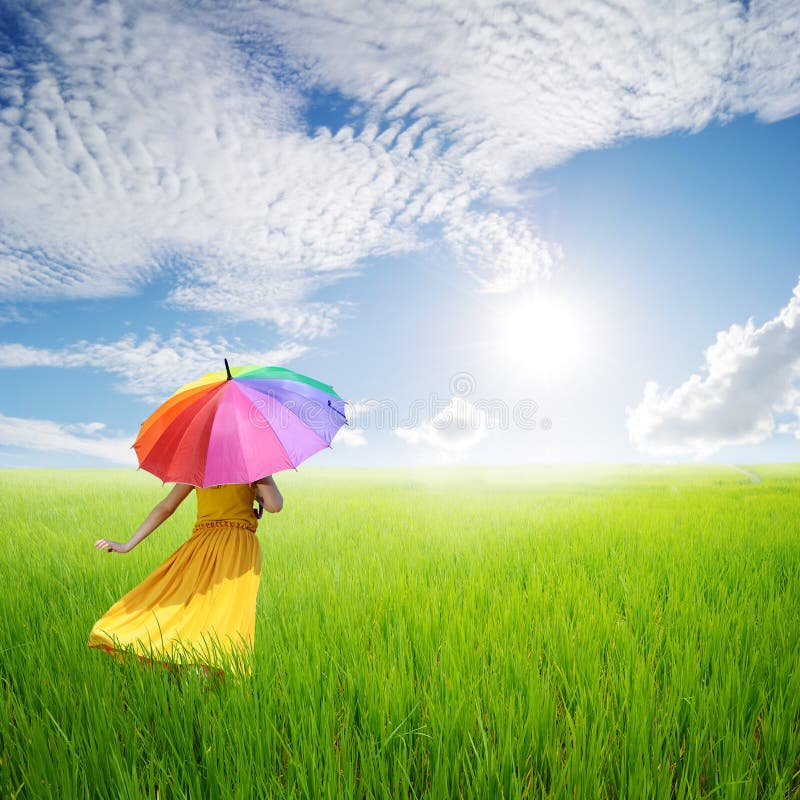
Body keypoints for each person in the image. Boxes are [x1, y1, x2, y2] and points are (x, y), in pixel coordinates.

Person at [87, 475, 283, 680]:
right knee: (225, 616)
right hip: (237, 548)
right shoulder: (251, 467)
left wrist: (128, 545)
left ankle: (193, 672)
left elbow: (166, 508)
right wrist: (260, 487)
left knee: (190, 609)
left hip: (202, 547)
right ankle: (207, 677)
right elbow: (275, 505)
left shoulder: (200, 467)